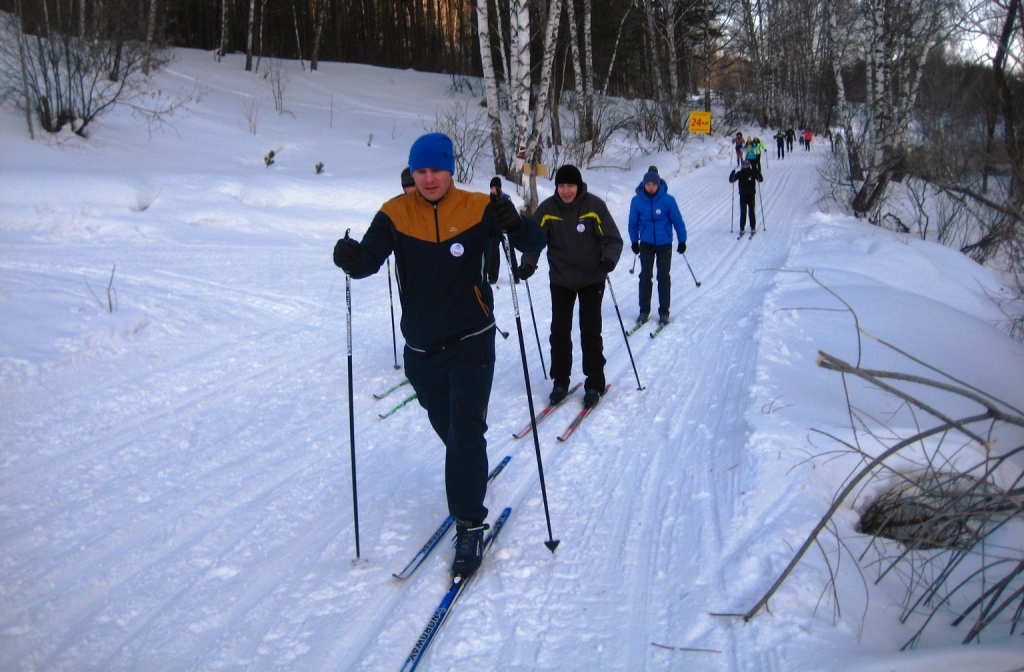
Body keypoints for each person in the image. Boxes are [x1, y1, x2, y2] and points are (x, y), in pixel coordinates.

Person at [333, 133, 545, 579]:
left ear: (450, 169)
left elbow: (533, 240)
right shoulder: (395, 212)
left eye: (437, 169)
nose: (428, 178)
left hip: (473, 339)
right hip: (421, 350)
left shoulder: (476, 208)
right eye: (421, 171)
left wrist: (516, 222)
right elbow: (369, 260)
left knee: (466, 431)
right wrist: (351, 259)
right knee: (450, 429)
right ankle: (469, 468)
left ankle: (469, 524)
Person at [518, 165, 623, 410]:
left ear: (579, 186)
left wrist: (609, 258)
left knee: (590, 331)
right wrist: (528, 263)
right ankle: (560, 382)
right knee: (560, 332)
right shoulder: (547, 209)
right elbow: (534, 241)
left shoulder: (594, 207)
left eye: (570, 186)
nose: (566, 191)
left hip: (591, 278)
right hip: (562, 280)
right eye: (562, 186)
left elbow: (613, 238)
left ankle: (595, 382)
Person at [628, 169, 687, 327]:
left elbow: (678, 221)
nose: (651, 187)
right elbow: (633, 223)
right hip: (646, 243)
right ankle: (644, 311)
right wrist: (634, 241)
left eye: (654, 184)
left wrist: (682, 240)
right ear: (644, 184)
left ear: (659, 184)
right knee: (645, 276)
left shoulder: (668, 200)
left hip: (664, 243)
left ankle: (664, 312)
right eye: (648, 184)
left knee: (663, 276)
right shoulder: (637, 201)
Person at [487, 177, 520, 284]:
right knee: (492, 253)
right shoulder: (490, 199)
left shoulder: (505, 197)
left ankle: (516, 275)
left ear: (499, 187)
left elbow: (511, 212)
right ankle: (492, 277)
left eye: (495, 187)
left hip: (505, 229)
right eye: (491, 187)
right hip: (494, 229)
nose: (493, 190)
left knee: (509, 252)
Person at [729, 159, 763, 235]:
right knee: (743, 212)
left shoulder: (752, 172)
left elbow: (760, 179)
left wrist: (758, 172)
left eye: (746, 164)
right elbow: (731, 180)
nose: (745, 165)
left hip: (751, 195)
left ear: (749, 165)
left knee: (751, 212)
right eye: (744, 164)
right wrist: (732, 173)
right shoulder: (740, 173)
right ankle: (742, 227)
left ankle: (753, 227)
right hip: (743, 195)